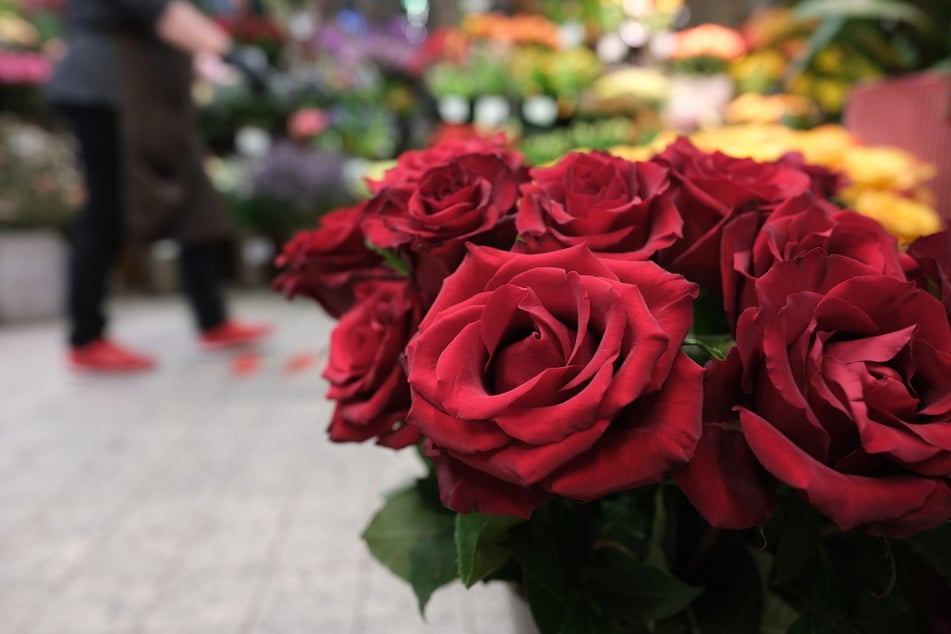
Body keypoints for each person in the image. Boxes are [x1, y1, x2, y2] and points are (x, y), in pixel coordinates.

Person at [46, 0, 270, 373]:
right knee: (107, 209)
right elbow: (165, 13)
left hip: (142, 98)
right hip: (105, 92)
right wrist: (231, 52)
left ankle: (212, 320)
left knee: (197, 200)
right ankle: (86, 337)